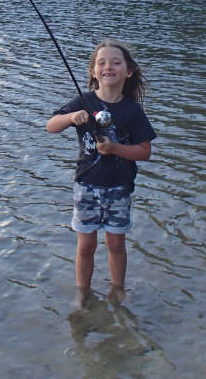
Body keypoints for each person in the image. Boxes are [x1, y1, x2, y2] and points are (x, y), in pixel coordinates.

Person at [47, 39, 156, 304]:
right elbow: (51, 125)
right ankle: (82, 292)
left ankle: (117, 289)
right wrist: (71, 117)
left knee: (116, 244)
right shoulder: (83, 101)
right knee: (86, 246)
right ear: (94, 72)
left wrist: (116, 149)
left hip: (119, 187)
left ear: (128, 72)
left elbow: (144, 151)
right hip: (85, 185)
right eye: (102, 62)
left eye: (116, 62)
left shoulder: (132, 110)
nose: (108, 67)